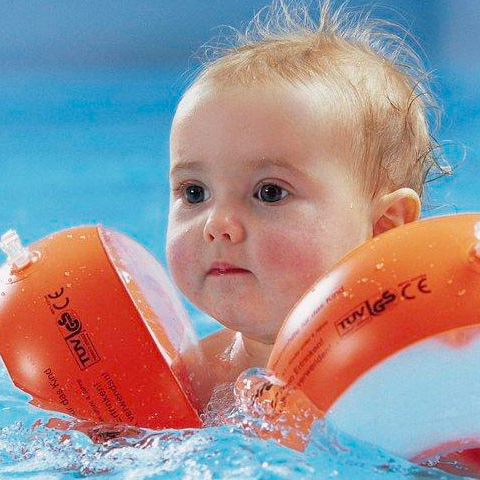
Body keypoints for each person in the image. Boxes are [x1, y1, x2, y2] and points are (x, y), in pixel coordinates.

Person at [165, 0, 449, 409]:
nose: (217, 224)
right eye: (194, 192)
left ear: (383, 228)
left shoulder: (414, 377)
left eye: (269, 192)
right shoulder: (190, 382)